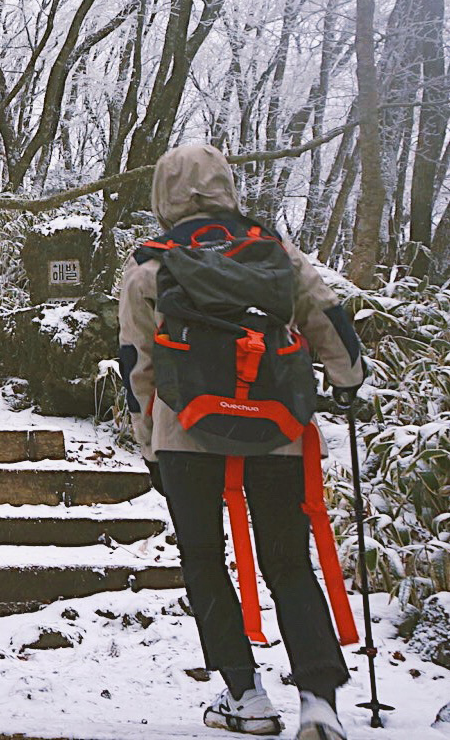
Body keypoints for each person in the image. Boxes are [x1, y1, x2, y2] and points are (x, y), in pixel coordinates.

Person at [119, 143, 365, 740]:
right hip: (276, 431)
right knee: (287, 560)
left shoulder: (152, 269)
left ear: (162, 195)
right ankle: (318, 701)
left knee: (204, 561)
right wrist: (345, 384)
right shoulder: (276, 255)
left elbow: (136, 366)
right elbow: (328, 320)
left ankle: (245, 696)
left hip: (186, 433)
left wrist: (149, 442)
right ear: (228, 187)